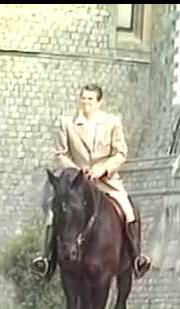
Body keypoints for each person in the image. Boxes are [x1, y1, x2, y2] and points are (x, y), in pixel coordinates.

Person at [30, 84, 151, 279]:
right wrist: (78, 171)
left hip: (105, 180)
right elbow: (60, 154)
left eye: (90, 99)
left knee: (128, 210)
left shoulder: (112, 122)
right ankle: (46, 259)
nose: (86, 103)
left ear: (99, 102)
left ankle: (136, 257)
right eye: (83, 98)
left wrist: (103, 168)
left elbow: (120, 153)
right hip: (76, 183)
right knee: (55, 213)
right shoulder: (67, 123)